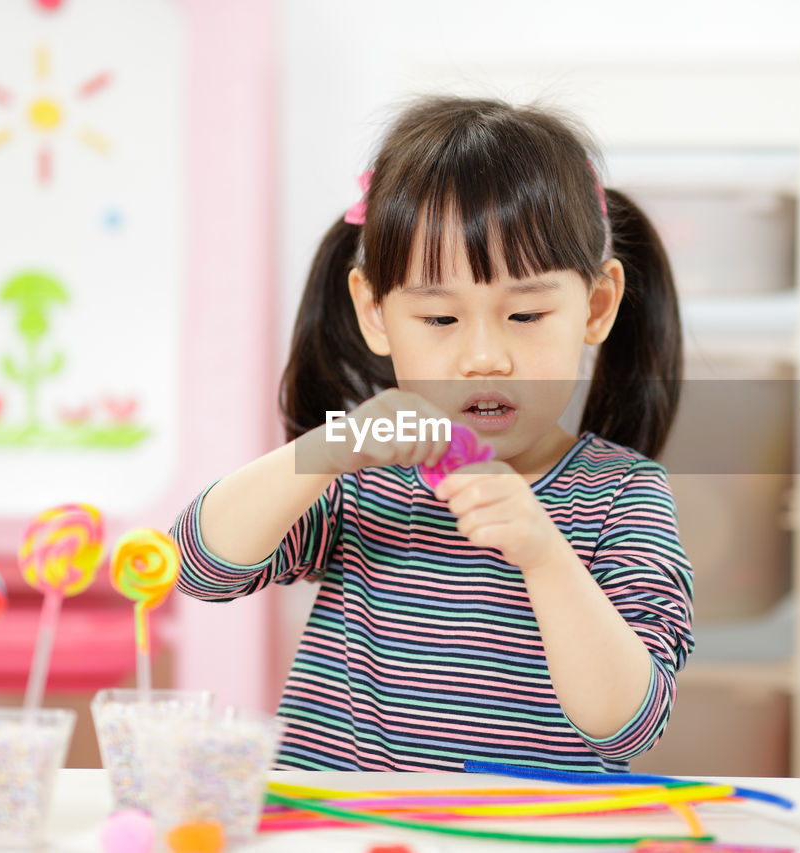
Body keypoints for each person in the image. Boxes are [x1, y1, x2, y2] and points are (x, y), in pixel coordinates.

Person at [170, 95, 694, 772]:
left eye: (527, 315)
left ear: (595, 306)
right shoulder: (361, 478)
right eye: (441, 320)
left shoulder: (625, 497)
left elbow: (626, 726)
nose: (484, 356)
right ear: (376, 312)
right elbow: (198, 566)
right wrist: (327, 449)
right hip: (347, 831)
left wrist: (544, 553)